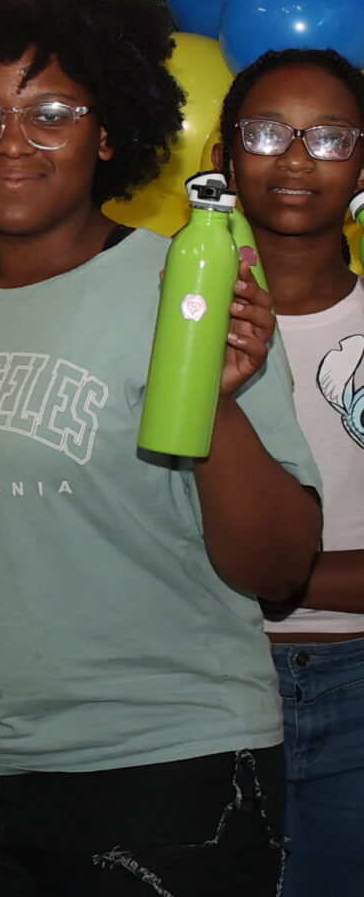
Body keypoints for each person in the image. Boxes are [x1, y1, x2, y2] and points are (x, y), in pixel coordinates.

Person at [0, 0, 319, 896]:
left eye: (52, 113)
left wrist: (214, 401)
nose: (12, 142)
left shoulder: (191, 287)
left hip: (163, 769)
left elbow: (279, 570)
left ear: (108, 132)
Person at [213, 47, 364, 897]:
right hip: (203, 680)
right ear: (225, 158)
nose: (298, 158)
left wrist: (276, 576)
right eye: (268, 132)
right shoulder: (162, 323)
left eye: (330, 136)